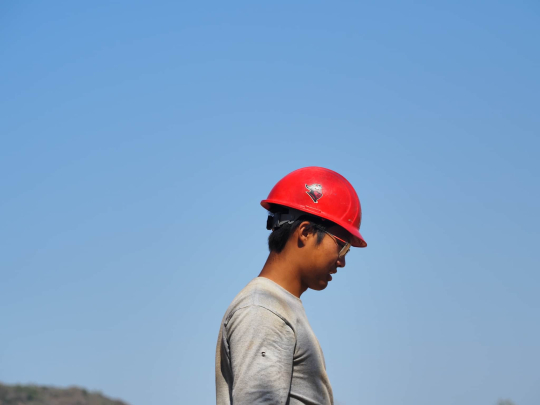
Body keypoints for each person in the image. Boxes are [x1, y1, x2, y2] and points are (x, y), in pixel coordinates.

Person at [215, 166, 367, 405]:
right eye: (342, 246)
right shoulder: (263, 311)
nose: (342, 261)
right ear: (305, 232)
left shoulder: (275, 307)